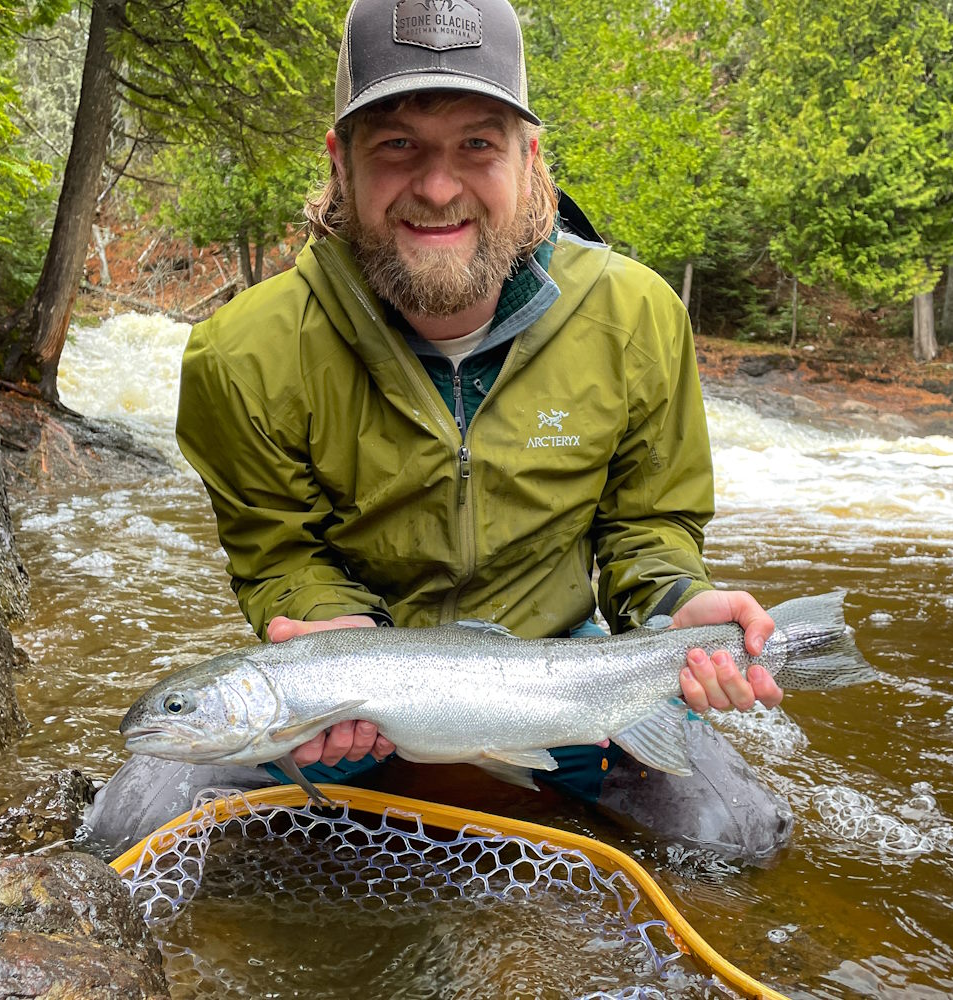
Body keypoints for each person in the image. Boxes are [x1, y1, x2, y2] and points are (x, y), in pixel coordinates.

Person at [83, 0, 793, 860]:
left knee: (739, 841)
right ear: (341, 163)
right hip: (348, 706)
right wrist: (332, 630)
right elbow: (280, 554)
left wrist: (682, 603)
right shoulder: (242, 354)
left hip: (564, 687)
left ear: (530, 159)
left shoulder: (638, 315)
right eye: (398, 145)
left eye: (478, 145)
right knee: (128, 833)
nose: (438, 186)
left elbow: (647, 532)